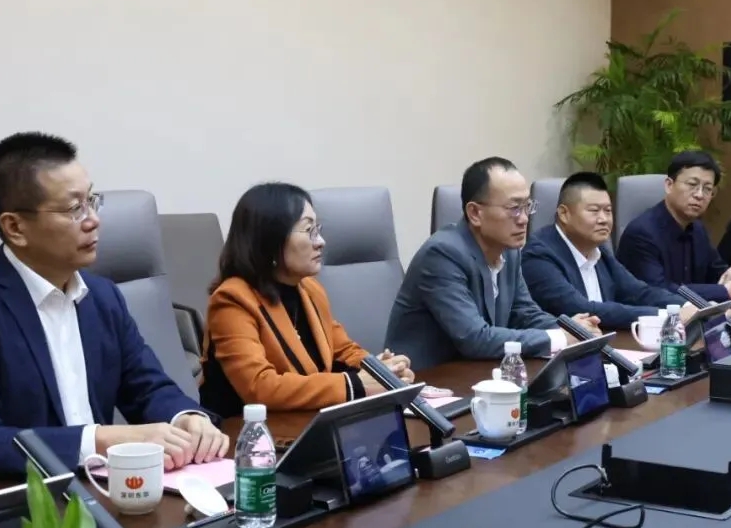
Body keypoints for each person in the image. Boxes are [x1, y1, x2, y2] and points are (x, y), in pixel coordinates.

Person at [0, 132, 227, 493]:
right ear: (15, 227)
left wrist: (186, 418)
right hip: (5, 507)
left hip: (96, 494)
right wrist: (100, 441)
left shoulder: (102, 296)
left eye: (91, 201)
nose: (93, 220)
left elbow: (147, 387)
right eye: (73, 209)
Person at [200, 182, 413, 418]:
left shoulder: (310, 289)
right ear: (271, 239)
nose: (321, 241)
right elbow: (260, 387)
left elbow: (344, 350)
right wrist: (354, 384)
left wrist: (384, 371)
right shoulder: (232, 300)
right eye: (309, 230)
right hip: (245, 431)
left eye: (318, 229)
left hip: (305, 420)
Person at [384, 157, 599, 372]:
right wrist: (560, 338)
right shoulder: (442, 255)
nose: (524, 219)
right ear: (475, 213)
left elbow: (524, 313)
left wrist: (572, 330)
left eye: (527, 206)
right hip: (426, 379)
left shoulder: (509, 251)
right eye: (514, 208)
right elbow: (474, 338)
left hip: (478, 374)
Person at [522, 172, 694, 331]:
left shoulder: (598, 251)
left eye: (608, 211)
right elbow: (582, 309)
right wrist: (666, 315)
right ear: (564, 214)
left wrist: (687, 306)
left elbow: (639, 292)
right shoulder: (538, 256)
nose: (604, 219)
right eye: (594, 211)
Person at [616, 151, 731, 304]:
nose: (699, 195)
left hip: (693, 316)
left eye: (707, 189)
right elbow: (658, 290)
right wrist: (723, 291)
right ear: (669, 185)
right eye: (692, 185)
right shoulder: (641, 233)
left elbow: (717, 273)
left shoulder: (698, 229)